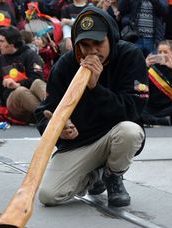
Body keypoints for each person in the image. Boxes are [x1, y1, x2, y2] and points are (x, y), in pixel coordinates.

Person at [36, 6, 148, 207]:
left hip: (114, 135)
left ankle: (113, 176)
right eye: (85, 45)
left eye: (98, 43)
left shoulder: (130, 56)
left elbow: (133, 109)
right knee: (49, 195)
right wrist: (58, 127)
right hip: (79, 143)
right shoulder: (65, 64)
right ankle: (92, 175)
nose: (92, 51)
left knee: (131, 132)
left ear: (111, 38)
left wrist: (95, 88)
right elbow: (44, 113)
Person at [0, 26, 45, 124]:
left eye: (2, 41)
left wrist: (17, 84)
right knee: (20, 91)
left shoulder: (30, 55)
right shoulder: (1, 59)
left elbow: (37, 78)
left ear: (12, 42)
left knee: (38, 83)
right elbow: (0, 88)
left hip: (31, 100)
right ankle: (48, 115)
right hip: (14, 104)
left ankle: (55, 110)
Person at [142, 40, 172, 125]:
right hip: (152, 106)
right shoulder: (152, 68)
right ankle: (159, 120)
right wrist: (144, 67)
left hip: (170, 106)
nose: (162, 55)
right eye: (160, 52)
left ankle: (154, 119)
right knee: (137, 108)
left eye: (165, 52)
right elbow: (138, 86)